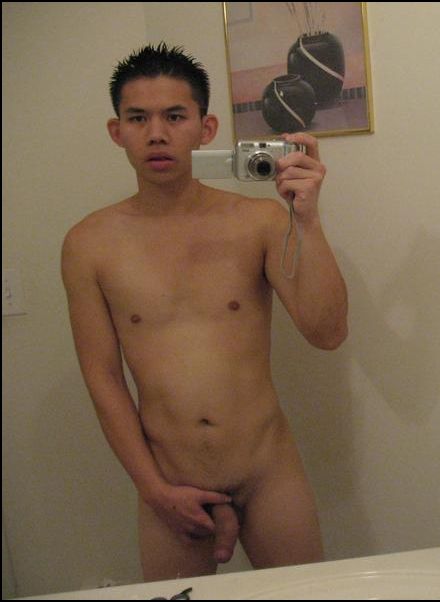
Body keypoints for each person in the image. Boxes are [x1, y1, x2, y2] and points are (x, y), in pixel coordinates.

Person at [61, 42, 348, 582]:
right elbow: (103, 379)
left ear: (206, 127)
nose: (157, 134)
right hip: (170, 478)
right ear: (116, 131)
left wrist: (308, 221)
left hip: (267, 470)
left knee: (305, 595)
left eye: (175, 116)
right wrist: (154, 490)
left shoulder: (259, 221)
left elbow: (328, 332)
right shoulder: (89, 244)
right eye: (138, 118)